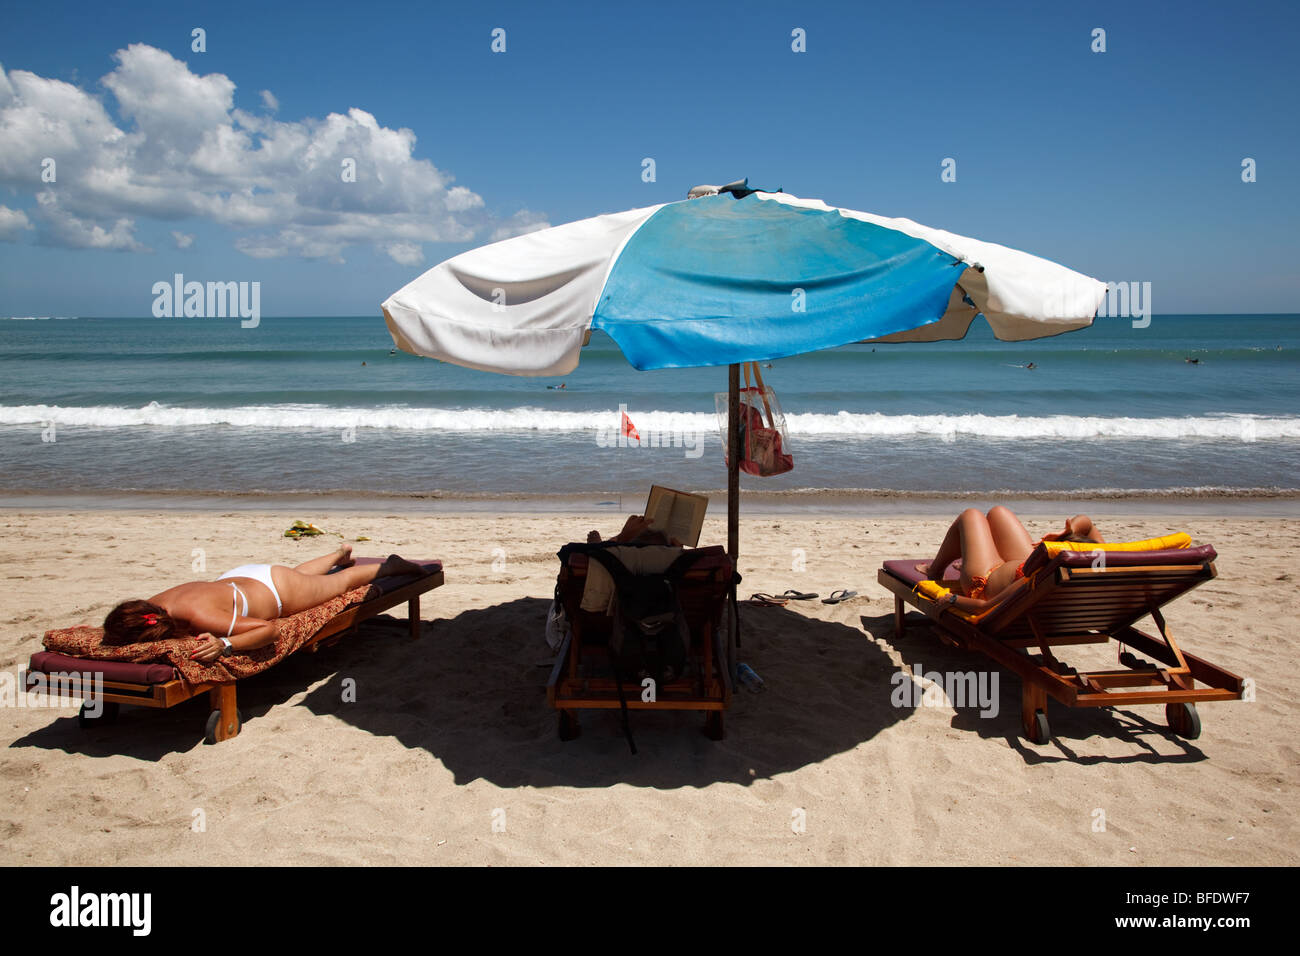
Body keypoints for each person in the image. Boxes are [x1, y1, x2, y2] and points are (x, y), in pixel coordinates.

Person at [103, 546, 424, 662]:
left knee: (342, 583)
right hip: (242, 579)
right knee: (303, 577)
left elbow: (268, 631)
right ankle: (338, 554)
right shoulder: (152, 605)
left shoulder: (201, 617)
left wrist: (225, 645)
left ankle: (391, 565)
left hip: (278, 592)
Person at [917, 507, 1103, 610]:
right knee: (998, 512)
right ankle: (969, 557)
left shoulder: (1037, 577)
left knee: (971, 515)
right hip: (1024, 565)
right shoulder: (1103, 562)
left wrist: (951, 599)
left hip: (985, 579)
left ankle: (935, 570)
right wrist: (1067, 531)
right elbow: (1087, 523)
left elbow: (984, 606)